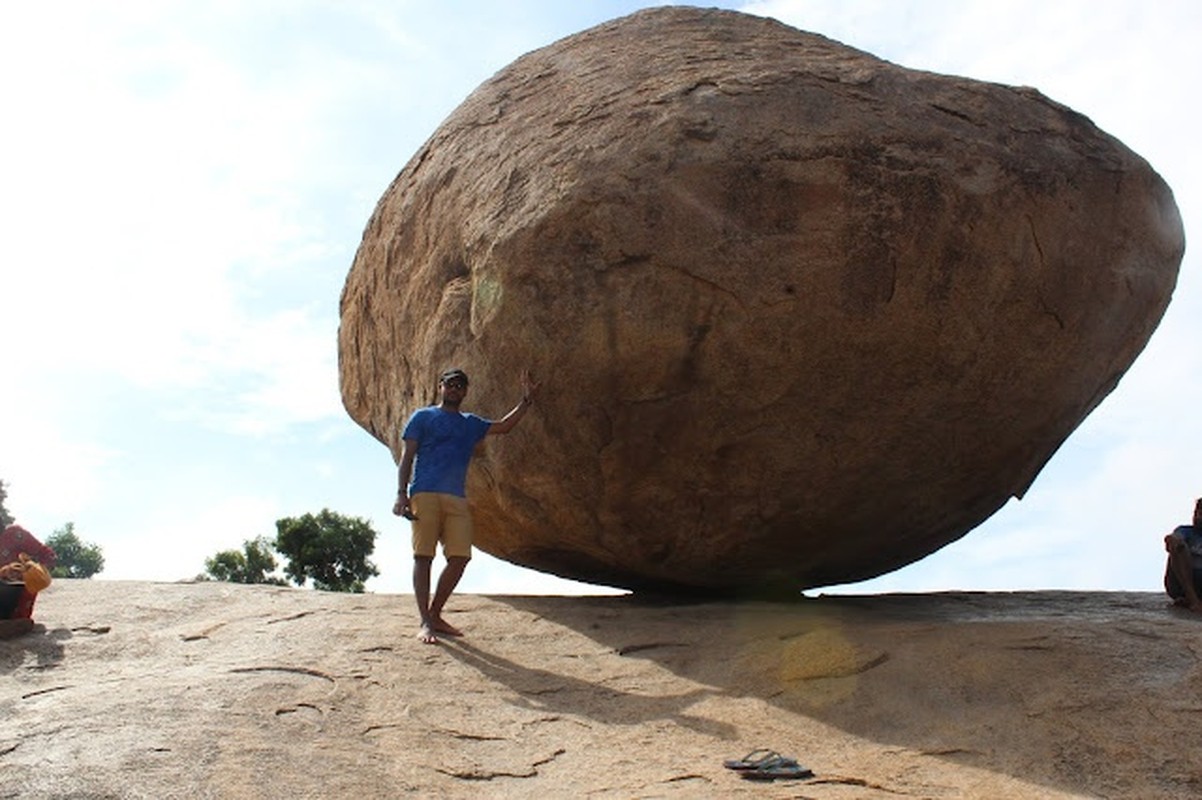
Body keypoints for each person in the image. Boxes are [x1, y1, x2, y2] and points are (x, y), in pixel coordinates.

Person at [393, 367, 539, 644]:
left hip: (455, 496)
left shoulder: (470, 423)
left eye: (460, 386)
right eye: (450, 384)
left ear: (465, 391)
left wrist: (526, 400)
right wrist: (402, 494)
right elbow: (407, 457)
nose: (454, 389)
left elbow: (504, 426)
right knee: (423, 556)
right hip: (425, 492)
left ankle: (435, 614)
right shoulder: (422, 417)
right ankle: (425, 621)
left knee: (460, 557)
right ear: (440, 387)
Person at [1164, 497, 1202, 613]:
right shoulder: (1186, 531)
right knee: (1179, 546)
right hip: (1181, 585)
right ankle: (1193, 600)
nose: (1197, 517)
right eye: (1196, 513)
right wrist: (1172, 541)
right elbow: (1174, 539)